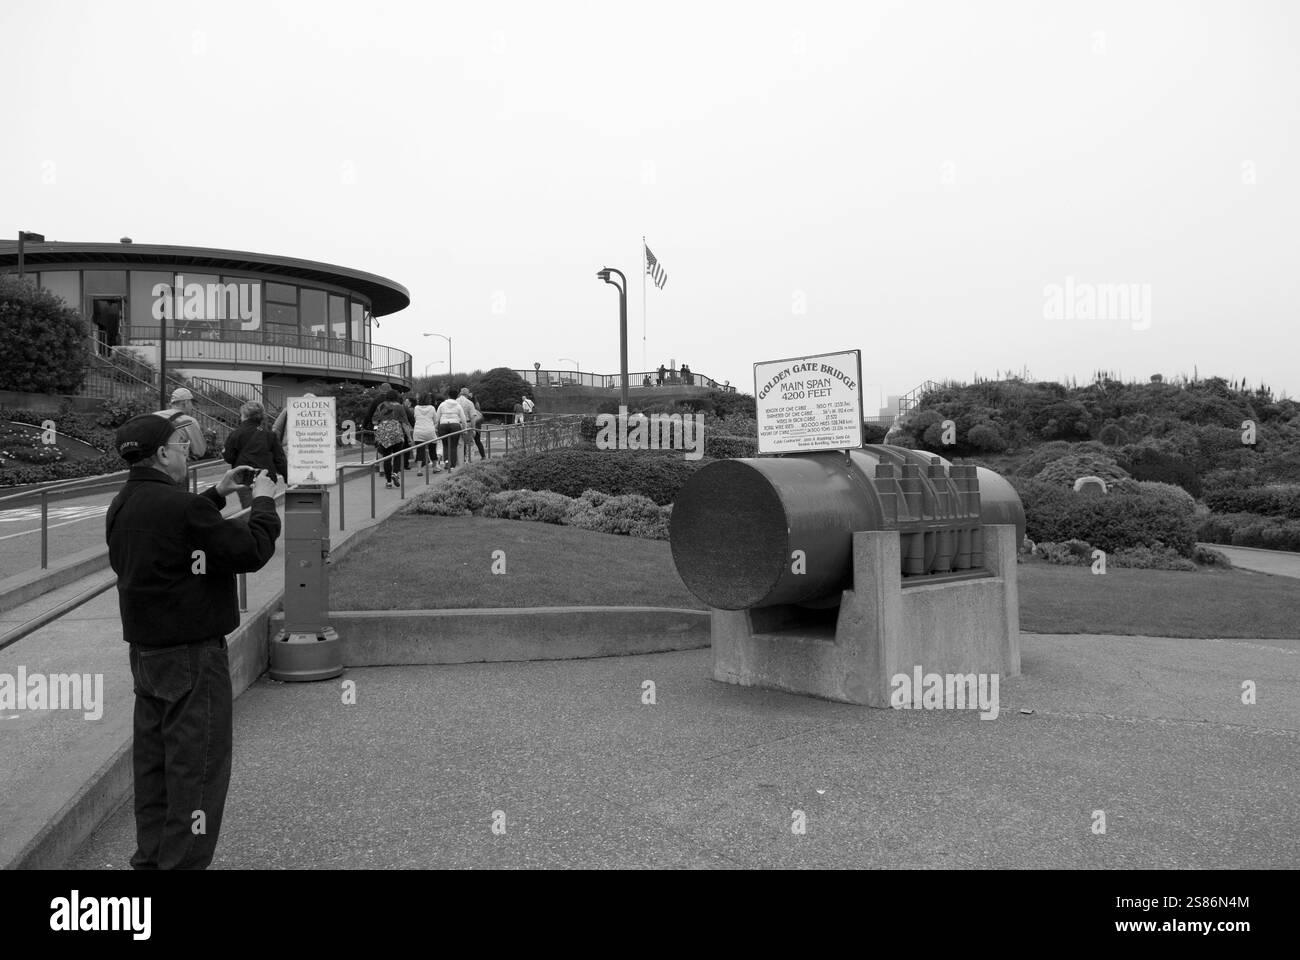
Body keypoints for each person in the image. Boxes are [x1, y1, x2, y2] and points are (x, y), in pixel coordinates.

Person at [106, 412, 280, 870]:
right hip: (191, 656)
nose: (188, 452)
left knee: (156, 768)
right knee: (197, 772)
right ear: (163, 453)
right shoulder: (181, 508)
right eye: (182, 447)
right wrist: (263, 503)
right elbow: (251, 552)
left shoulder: (123, 505)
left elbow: (176, 533)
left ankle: (151, 860)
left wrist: (217, 494)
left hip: (145, 656)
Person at [222, 401, 287, 509]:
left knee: (249, 511)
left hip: (244, 478)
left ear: (245, 415)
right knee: (265, 508)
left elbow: (229, 457)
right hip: (266, 479)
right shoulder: (269, 435)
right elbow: (279, 459)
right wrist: (287, 477)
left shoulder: (236, 434)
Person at [154, 387, 206, 459]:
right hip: (172, 463)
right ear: (186, 403)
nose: (192, 407)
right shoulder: (189, 422)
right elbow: (200, 451)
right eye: (192, 403)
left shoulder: (155, 415)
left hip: (152, 462)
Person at [372, 390, 409, 488]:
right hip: (396, 431)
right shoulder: (399, 406)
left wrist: (377, 433)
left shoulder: (380, 406)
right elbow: (405, 423)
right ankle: (395, 473)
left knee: (386, 457)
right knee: (397, 455)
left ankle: (388, 482)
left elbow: (375, 421)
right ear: (396, 397)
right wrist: (409, 437)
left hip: (384, 432)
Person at [436, 385, 468, 469]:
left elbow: (437, 417)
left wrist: (436, 427)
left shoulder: (442, 404)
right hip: (455, 425)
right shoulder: (458, 406)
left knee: (445, 445)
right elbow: (463, 419)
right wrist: (465, 429)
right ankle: (452, 465)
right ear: (457, 396)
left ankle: (446, 462)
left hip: (443, 425)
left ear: (448, 395)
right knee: (454, 446)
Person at [412, 391, 441, 476]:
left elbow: (415, 417)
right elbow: (435, 420)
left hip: (418, 431)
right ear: (428, 399)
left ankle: (419, 470)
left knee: (419, 451)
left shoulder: (416, 408)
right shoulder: (432, 408)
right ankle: (435, 467)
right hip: (429, 431)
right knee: (432, 450)